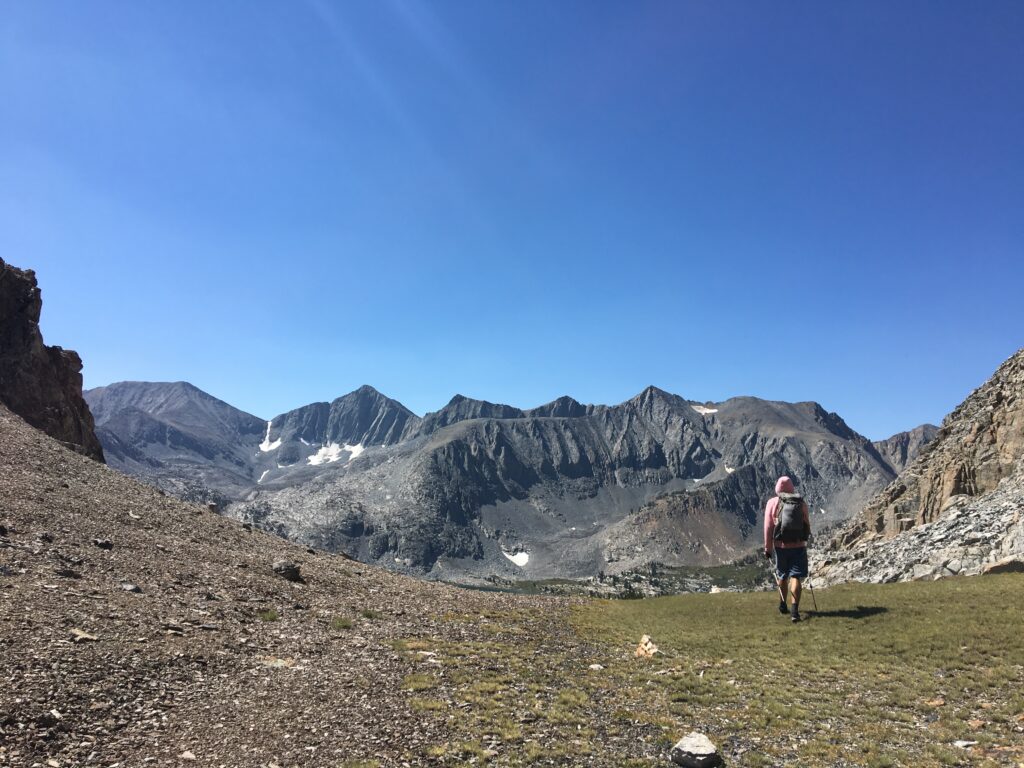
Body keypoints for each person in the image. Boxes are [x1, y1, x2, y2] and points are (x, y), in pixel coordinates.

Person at [764, 475, 811, 622]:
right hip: (798, 545)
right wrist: (805, 539)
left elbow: (768, 527)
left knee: (782, 576)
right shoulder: (800, 502)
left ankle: (783, 604)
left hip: (780, 546)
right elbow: (806, 523)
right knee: (795, 576)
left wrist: (768, 548)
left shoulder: (772, 503)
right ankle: (795, 611)